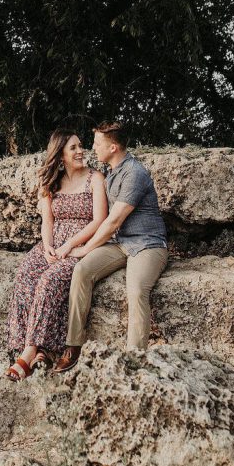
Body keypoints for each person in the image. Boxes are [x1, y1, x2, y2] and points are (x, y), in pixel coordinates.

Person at [52, 120, 168, 373]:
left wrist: (85, 247)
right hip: (121, 243)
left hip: (148, 244)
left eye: (97, 144)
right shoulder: (110, 172)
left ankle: (134, 360)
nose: (92, 149)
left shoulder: (134, 173)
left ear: (113, 147)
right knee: (81, 271)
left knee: (136, 289)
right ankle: (73, 345)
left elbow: (113, 219)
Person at [4, 128, 108, 381]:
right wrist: (48, 245)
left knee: (49, 282)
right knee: (26, 276)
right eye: (73, 147)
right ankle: (38, 350)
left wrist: (68, 247)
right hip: (53, 243)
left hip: (79, 245)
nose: (80, 151)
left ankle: (28, 353)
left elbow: (99, 220)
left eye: (80, 145)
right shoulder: (51, 181)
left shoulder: (95, 178)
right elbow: (47, 220)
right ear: (60, 154)